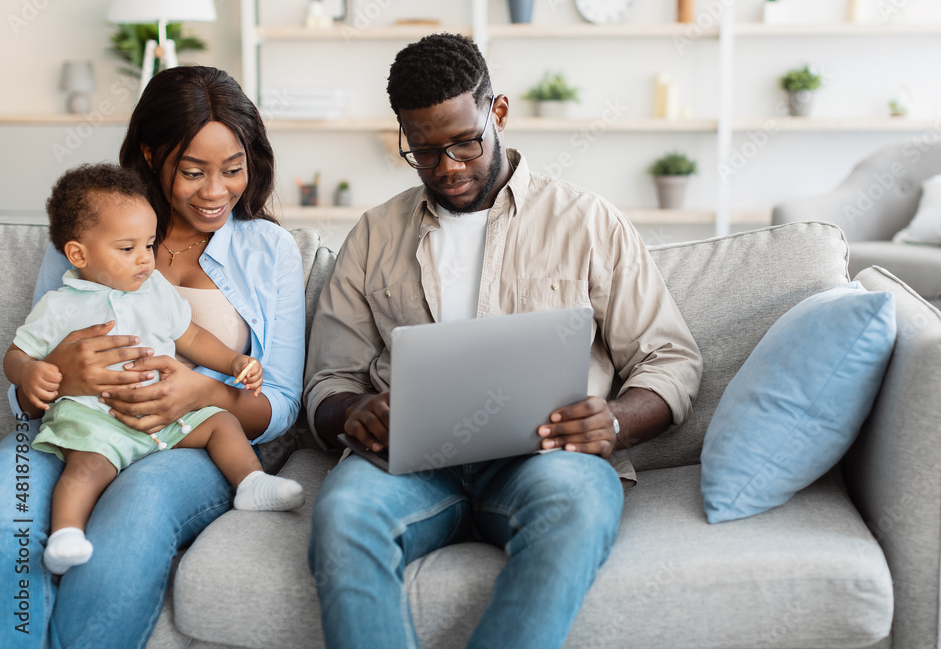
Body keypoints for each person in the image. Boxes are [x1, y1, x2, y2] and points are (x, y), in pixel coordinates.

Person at [304, 33, 703, 648]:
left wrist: (617, 422)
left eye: (466, 141)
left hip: (544, 463)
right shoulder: (374, 234)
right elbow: (329, 380)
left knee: (575, 509)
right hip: (410, 467)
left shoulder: (587, 221)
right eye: (425, 151)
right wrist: (352, 412)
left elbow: (670, 358)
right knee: (343, 515)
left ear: (498, 112)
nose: (449, 167)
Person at [0, 66, 306, 648]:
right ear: (150, 153)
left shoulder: (270, 252)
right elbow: (26, 381)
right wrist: (56, 378)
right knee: (4, 516)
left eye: (233, 169)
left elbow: (284, 403)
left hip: (189, 437)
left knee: (130, 525)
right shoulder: (88, 234)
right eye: (192, 171)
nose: (215, 192)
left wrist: (206, 391)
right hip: (75, 428)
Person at [3, 164, 305, 576]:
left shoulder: (154, 289)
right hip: (97, 420)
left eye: (149, 245)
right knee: (86, 467)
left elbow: (192, 337)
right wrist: (29, 373)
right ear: (78, 254)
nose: (145, 260)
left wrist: (235, 362)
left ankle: (250, 483)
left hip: (167, 417)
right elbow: (18, 354)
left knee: (220, 423)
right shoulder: (60, 305)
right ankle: (66, 534)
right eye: (127, 249)